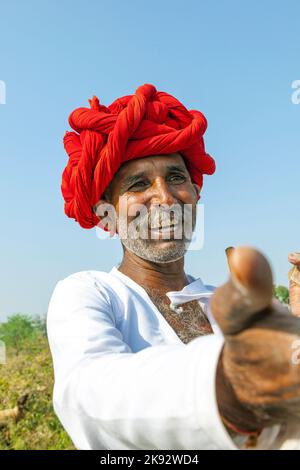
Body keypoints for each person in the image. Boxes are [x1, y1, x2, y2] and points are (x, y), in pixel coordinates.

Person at [47, 83, 300, 450]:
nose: (165, 198)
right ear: (107, 213)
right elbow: (89, 395)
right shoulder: (90, 293)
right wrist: (233, 385)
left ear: (196, 193)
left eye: (176, 177)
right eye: (138, 184)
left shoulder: (241, 306)